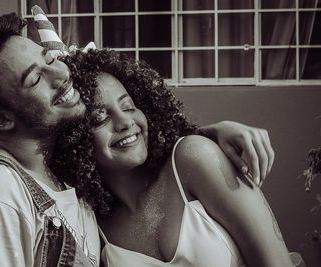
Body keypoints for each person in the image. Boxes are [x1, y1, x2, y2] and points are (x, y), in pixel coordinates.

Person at [0, 11, 275, 267]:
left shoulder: (73, 191)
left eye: (50, 59)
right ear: (2, 119)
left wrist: (203, 137)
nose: (60, 75)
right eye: (36, 78)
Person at [47, 49, 293, 266]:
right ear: (74, 138)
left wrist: (205, 134)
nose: (125, 123)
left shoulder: (193, 159)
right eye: (100, 118)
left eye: (129, 106)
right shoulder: (92, 224)